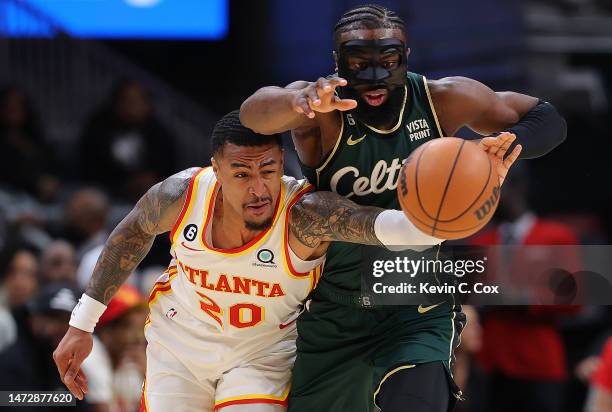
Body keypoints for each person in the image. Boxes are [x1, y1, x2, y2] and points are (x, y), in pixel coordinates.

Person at [239, 4, 566, 411]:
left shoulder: (443, 99)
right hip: (332, 303)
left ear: (405, 56)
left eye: (388, 62)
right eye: (359, 63)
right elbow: (254, 113)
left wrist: (508, 145)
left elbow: (546, 117)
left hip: (414, 297)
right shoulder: (319, 107)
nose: (375, 76)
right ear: (337, 61)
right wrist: (300, 101)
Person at [52, 110, 482, 412]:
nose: (259, 189)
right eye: (242, 173)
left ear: (282, 164)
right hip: (177, 348)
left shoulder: (305, 213)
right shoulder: (180, 195)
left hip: (260, 357)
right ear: (216, 170)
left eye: (269, 170)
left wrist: (462, 204)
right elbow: (129, 234)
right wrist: (80, 325)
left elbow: (383, 227)